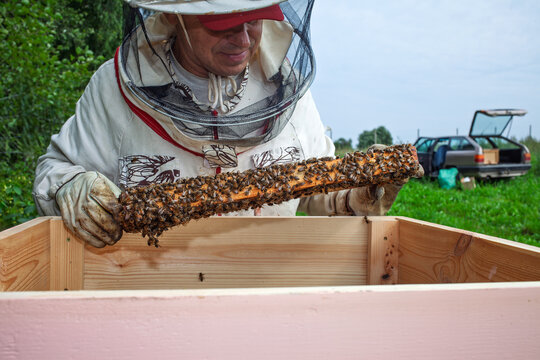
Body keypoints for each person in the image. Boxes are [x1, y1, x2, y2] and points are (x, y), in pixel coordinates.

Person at [33, 0, 415, 248]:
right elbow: (55, 168)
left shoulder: (289, 90)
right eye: (225, 23)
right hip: (154, 299)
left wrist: (359, 195)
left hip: (270, 294)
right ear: (178, 17)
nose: (243, 39)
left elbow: (318, 194)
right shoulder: (114, 87)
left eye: (255, 21)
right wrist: (71, 185)